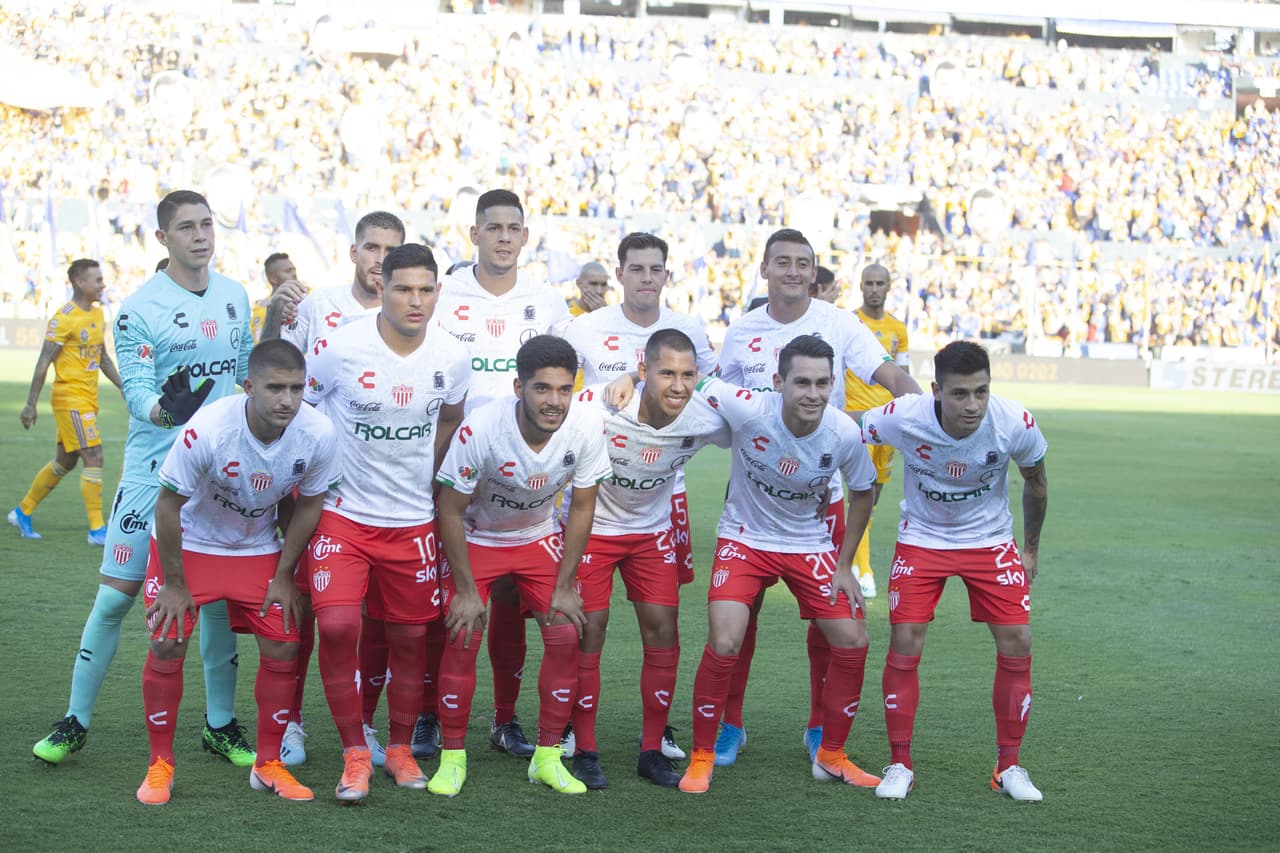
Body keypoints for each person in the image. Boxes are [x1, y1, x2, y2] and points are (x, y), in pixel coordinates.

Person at [33, 190, 256, 768]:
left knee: (215, 604)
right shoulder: (138, 308)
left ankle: (220, 724)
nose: (200, 235)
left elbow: (243, 376)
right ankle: (75, 720)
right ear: (163, 239)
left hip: (221, 478)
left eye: (207, 223)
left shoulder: (235, 296)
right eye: (186, 227)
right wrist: (166, 411)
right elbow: (134, 390)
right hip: (154, 474)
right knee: (117, 596)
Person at [706, 228, 920, 766]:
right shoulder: (743, 331)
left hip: (821, 499)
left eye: (804, 263)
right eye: (783, 262)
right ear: (764, 269)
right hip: (752, 493)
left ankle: (822, 728)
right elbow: (718, 401)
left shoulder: (838, 323)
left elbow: (885, 370)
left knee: (831, 619)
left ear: (815, 271)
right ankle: (729, 724)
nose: (794, 272)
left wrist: (918, 404)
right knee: (741, 615)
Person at [136, 340, 341, 805]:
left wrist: (285, 574)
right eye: (274, 388)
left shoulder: (318, 433)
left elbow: (310, 505)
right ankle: (159, 765)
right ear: (248, 386)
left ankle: (267, 764)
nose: (287, 399)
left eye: (295, 387)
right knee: (168, 640)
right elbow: (167, 506)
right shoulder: (207, 428)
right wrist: (173, 583)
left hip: (256, 546)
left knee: (284, 641)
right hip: (189, 543)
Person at [300, 243, 469, 803]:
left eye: (426, 289)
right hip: (343, 517)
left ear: (438, 292)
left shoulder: (451, 355)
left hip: (413, 522)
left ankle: (398, 749)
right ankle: (354, 752)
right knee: (341, 627)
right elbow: (306, 412)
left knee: (409, 638)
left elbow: (450, 417)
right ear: (381, 288)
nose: (415, 300)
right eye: (403, 288)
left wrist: (428, 470)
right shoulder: (339, 347)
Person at [678, 335, 880, 794]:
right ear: (778, 382)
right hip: (744, 539)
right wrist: (632, 379)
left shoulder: (843, 433)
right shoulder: (748, 407)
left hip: (807, 543)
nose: (813, 393)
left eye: (823, 383)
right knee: (726, 640)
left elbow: (864, 492)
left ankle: (831, 755)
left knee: (853, 639)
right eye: (802, 382)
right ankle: (703, 755)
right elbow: (697, 383)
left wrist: (845, 565)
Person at [862, 341, 1048, 803]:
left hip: (989, 541)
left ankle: (1009, 766)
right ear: (936, 391)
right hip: (922, 538)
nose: (972, 405)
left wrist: (1029, 549)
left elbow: (1037, 482)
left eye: (981, 392)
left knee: (1018, 640)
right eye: (960, 394)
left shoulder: (1013, 422)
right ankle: (900, 763)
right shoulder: (905, 416)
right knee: (905, 638)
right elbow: (846, 432)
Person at [429, 335, 611, 797]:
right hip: (477, 535)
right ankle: (452, 757)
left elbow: (583, 508)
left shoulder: (585, 428)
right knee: (463, 628)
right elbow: (449, 510)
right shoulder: (481, 428)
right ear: (518, 387)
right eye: (542, 389)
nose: (554, 401)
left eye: (564, 390)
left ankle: (547, 758)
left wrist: (566, 585)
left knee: (567, 630)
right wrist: (468, 592)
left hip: (534, 537)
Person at [560, 231, 718, 761]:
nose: (647, 278)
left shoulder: (697, 377)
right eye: (637, 268)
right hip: (593, 521)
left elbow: (731, 399)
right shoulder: (591, 367)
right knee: (589, 629)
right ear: (621, 273)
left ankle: (655, 742)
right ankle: (578, 739)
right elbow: (551, 396)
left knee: (663, 625)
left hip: (653, 522)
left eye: (657, 269)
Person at [260, 211, 406, 768]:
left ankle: (364, 725)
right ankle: (290, 723)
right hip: (314, 490)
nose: (379, 259)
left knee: (372, 621)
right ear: (353, 252)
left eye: (391, 250)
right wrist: (275, 312)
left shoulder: (413, 316)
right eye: (371, 247)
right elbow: (274, 366)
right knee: (303, 608)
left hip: (387, 497)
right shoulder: (320, 307)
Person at [434, 190, 571, 761]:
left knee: (513, 606)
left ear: (525, 235)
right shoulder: (445, 294)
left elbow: (569, 371)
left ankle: (506, 718)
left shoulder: (545, 298)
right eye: (494, 228)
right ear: (475, 235)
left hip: (526, 481)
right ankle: (427, 719)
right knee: (447, 610)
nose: (505, 237)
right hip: (455, 469)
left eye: (514, 228)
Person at [10, 258, 122, 544]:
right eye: (97, 280)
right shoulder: (64, 318)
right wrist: (30, 403)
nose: (102, 284)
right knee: (94, 456)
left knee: (66, 460)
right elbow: (43, 361)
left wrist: (124, 386)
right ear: (79, 283)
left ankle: (22, 511)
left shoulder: (98, 315)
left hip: (87, 399)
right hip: (69, 398)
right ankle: (98, 529)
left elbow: (103, 357)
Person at [845, 263, 911, 600]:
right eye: (868, 283)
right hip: (858, 421)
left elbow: (904, 371)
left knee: (873, 501)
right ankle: (865, 570)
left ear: (888, 286)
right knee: (864, 492)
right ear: (860, 285)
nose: (874, 289)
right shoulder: (849, 323)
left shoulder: (898, 328)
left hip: (889, 423)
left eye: (879, 283)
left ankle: (853, 557)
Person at [250, 253, 297, 342]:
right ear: (273, 278)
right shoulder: (261, 308)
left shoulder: (309, 298)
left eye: (294, 270)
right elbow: (261, 344)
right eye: (288, 271)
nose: (294, 274)